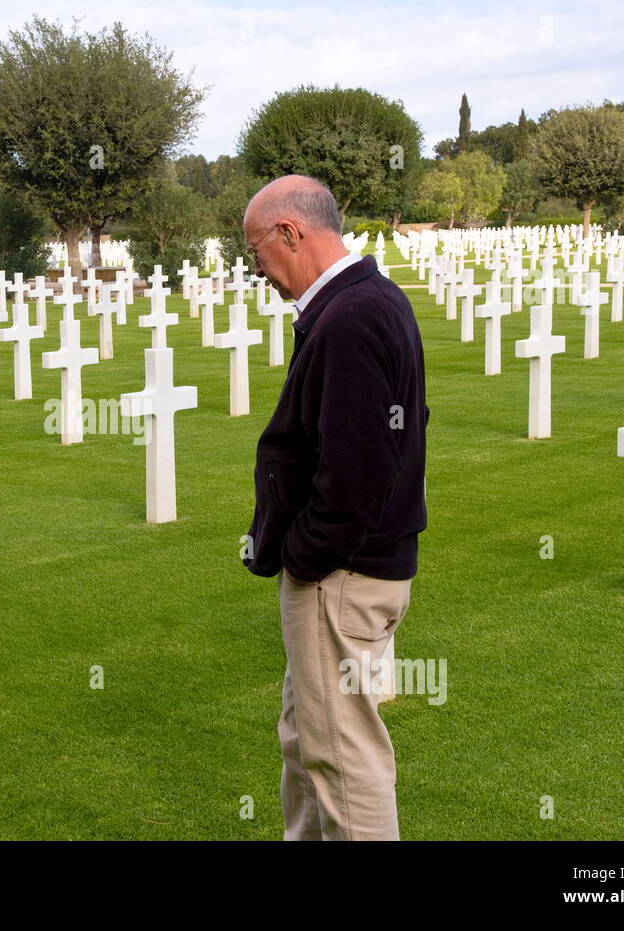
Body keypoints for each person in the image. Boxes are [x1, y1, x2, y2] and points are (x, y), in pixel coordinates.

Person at [240, 175, 428, 840]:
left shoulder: (350, 317)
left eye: (259, 253)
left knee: (343, 758)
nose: (258, 270)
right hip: (360, 568)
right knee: (308, 738)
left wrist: (305, 555)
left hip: (341, 576)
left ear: (292, 232)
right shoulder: (373, 298)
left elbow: (360, 464)